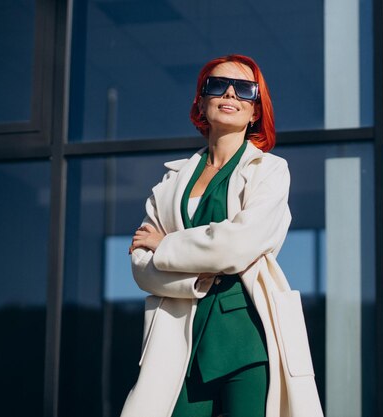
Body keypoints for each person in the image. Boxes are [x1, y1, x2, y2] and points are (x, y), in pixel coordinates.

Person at [120, 54, 322, 417]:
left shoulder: (270, 171)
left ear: (256, 110)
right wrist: (195, 277)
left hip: (247, 341)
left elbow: (237, 244)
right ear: (201, 101)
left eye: (244, 89)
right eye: (217, 85)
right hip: (179, 341)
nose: (230, 93)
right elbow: (141, 267)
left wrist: (166, 246)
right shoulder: (168, 183)